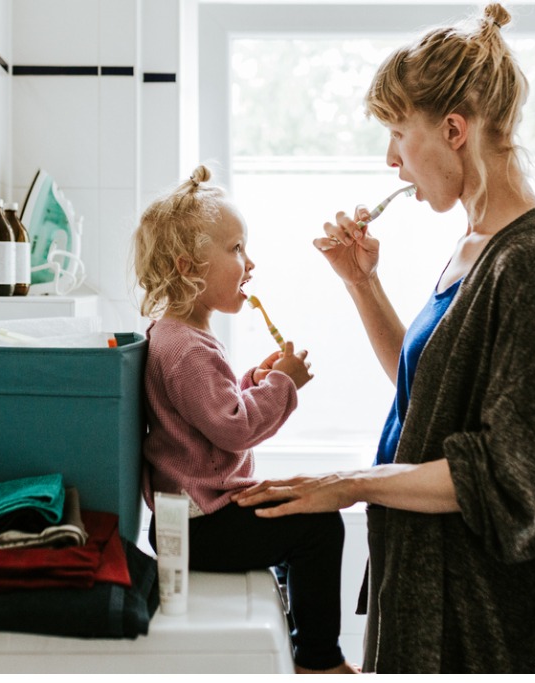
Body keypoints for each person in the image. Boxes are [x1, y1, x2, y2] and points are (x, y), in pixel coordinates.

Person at [232, 3, 535, 674]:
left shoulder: (533, 261)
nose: (391, 161)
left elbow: (519, 479)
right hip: (430, 586)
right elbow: (430, 395)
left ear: (454, 130)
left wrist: (350, 483)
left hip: (490, 621)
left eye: (399, 134)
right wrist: (361, 283)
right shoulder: (474, 246)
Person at [132, 165, 357, 674]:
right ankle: (320, 660)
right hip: (203, 526)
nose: (250, 262)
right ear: (190, 267)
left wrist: (253, 381)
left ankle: (300, 629)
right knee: (320, 527)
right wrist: (283, 386)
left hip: (194, 520)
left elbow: (208, 412)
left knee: (299, 509)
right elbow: (232, 427)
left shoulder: (177, 336)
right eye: (235, 250)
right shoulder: (186, 347)